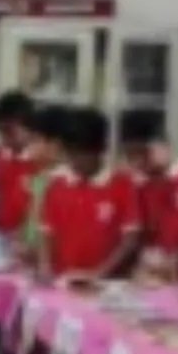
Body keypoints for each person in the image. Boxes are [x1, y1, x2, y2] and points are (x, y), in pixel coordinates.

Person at [37, 108, 141, 284]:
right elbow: (47, 232)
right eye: (70, 154)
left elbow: (130, 239)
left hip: (105, 283)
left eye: (82, 155)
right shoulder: (57, 184)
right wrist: (44, 265)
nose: (75, 161)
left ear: (100, 150)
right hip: (63, 279)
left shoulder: (122, 184)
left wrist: (99, 273)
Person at [118, 109, 178, 281]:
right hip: (146, 277)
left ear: (165, 145)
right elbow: (131, 236)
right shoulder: (134, 184)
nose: (138, 161)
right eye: (130, 155)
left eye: (143, 152)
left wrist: (177, 258)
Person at [16, 105, 68, 265]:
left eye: (34, 141)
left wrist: (35, 251)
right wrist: (21, 240)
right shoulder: (39, 178)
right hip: (31, 261)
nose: (28, 148)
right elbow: (30, 221)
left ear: (55, 145)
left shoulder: (62, 182)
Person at [0, 91, 37, 237]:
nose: (4, 138)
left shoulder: (41, 161)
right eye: (0, 130)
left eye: (9, 131)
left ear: (30, 129)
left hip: (28, 238)